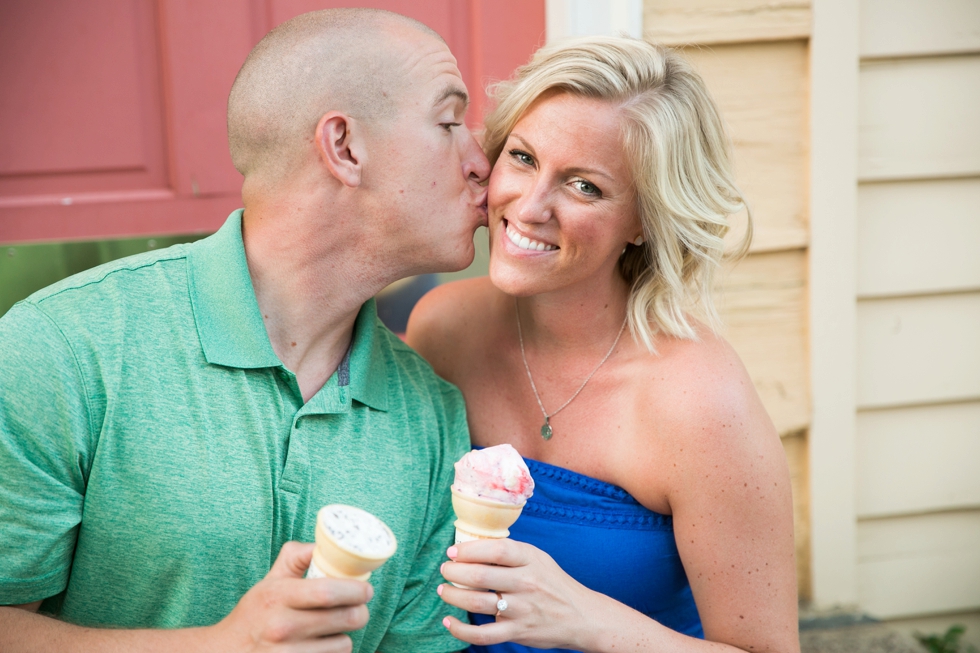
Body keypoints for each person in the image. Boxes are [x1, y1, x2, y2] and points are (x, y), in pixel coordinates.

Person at [0, 8, 489, 652]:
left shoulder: (431, 416)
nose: (483, 162)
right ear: (344, 147)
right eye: (450, 123)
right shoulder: (62, 348)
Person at [407, 36, 800, 653]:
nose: (530, 207)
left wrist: (586, 620)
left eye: (584, 186)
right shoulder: (444, 332)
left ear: (644, 220)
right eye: (523, 157)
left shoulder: (698, 402)